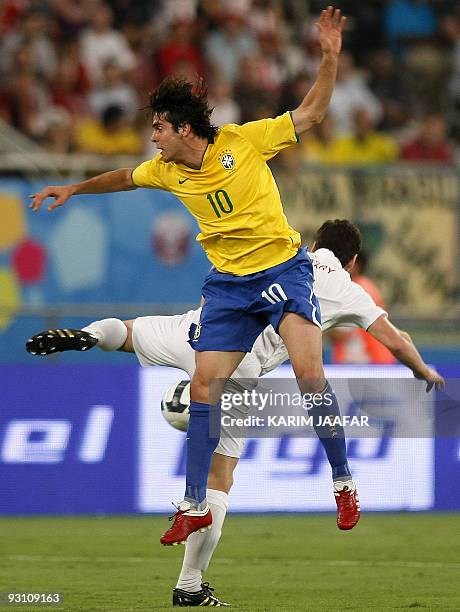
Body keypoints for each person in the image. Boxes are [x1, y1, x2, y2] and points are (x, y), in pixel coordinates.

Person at [29, 6, 347, 546]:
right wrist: (74, 189)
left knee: (309, 374)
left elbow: (312, 113)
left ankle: (343, 482)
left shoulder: (244, 142)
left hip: (282, 268)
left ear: (181, 128)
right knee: (202, 384)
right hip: (230, 284)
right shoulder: (166, 170)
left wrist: (329, 56)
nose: (152, 138)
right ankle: (193, 503)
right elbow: (122, 178)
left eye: (158, 128)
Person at [26, 219, 445, 607]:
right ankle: (189, 584)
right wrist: (422, 369)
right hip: (238, 368)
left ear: (314, 244)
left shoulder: (284, 253)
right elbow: (396, 338)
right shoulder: (350, 291)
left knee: (126, 330)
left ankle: (88, 334)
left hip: (196, 332)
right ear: (352, 262)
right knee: (220, 481)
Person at [329, 249, 397, 364]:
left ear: (355, 264)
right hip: (376, 363)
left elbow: (340, 335)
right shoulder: (368, 286)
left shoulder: (353, 290)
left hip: (365, 363)